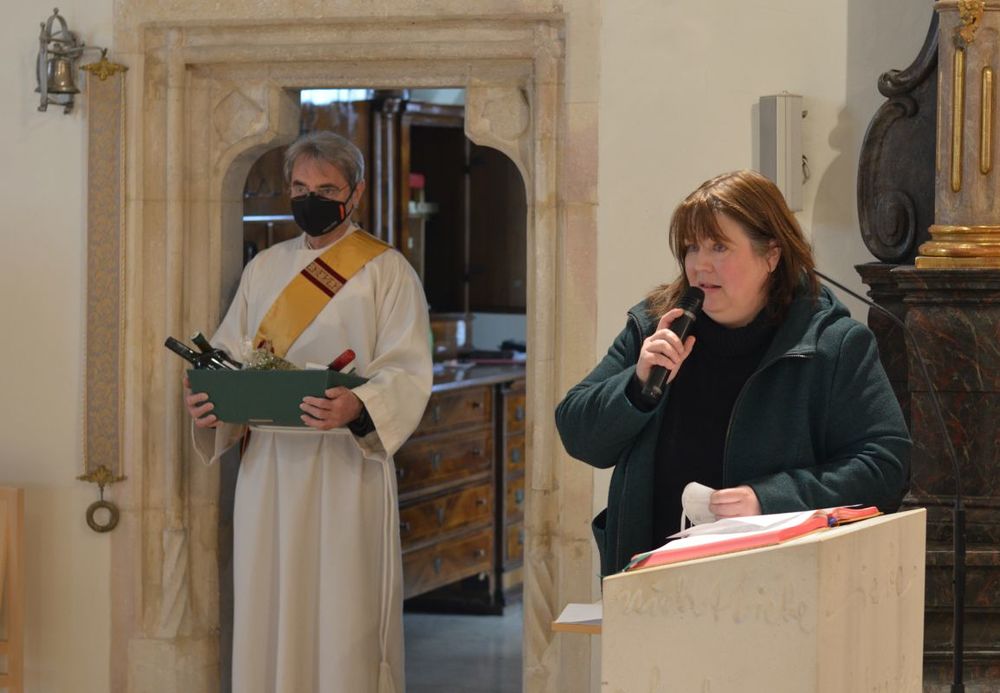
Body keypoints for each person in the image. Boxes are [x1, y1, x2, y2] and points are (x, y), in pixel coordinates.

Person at [555, 170, 910, 577]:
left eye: (719, 247)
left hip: (775, 586)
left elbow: (885, 466)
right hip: (651, 586)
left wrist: (769, 499)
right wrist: (635, 386)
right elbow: (579, 436)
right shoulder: (655, 327)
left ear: (771, 255)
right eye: (691, 247)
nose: (699, 264)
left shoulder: (833, 344)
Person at [183, 131, 432, 692]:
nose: (309, 199)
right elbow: (229, 353)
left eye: (325, 189)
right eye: (299, 188)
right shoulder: (264, 269)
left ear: (356, 193)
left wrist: (359, 404)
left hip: (343, 465)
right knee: (268, 600)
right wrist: (210, 396)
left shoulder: (386, 271)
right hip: (269, 466)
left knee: (342, 606)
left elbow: (408, 370)